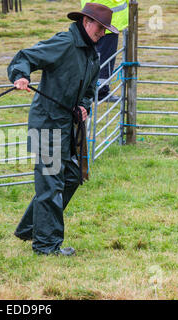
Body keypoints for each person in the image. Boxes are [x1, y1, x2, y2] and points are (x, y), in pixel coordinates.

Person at [8, 3, 118, 255]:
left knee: (71, 176)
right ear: (86, 21)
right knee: (51, 183)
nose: (102, 33)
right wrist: (20, 75)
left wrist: (83, 105)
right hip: (47, 123)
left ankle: (32, 227)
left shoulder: (92, 53)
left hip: (68, 126)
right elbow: (25, 56)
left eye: (105, 30)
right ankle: (47, 246)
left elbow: (89, 89)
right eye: (100, 28)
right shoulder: (64, 43)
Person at [80, 0, 128, 103]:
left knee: (96, 55)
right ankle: (100, 92)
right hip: (107, 20)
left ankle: (93, 89)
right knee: (104, 57)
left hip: (96, 16)